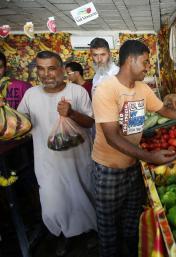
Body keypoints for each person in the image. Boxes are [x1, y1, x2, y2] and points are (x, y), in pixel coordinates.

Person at [92, 40, 176, 257]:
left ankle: (130, 250)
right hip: (109, 169)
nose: (148, 67)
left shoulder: (143, 88)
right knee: (109, 226)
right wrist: (150, 156)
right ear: (131, 60)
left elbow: (165, 112)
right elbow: (112, 137)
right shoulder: (105, 90)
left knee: (131, 219)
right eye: (146, 62)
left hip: (133, 165)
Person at [17, 51, 97, 256]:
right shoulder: (31, 95)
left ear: (62, 69)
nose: (46, 74)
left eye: (51, 68)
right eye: (41, 69)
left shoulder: (77, 92)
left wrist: (71, 113)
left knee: (83, 199)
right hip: (47, 163)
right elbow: (21, 125)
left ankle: (89, 233)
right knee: (54, 202)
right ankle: (63, 234)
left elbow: (90, 122)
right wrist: (7, 116)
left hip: (77, 160)